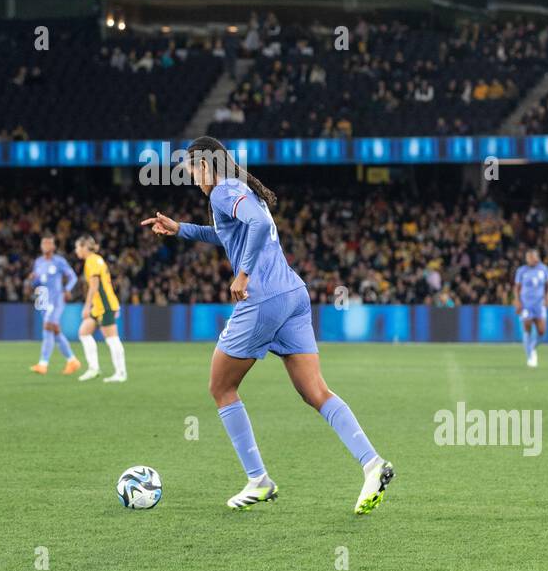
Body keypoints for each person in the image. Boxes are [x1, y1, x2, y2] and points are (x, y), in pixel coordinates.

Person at [141, 136, 393, 514]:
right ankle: (372, 464)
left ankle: (259, 479)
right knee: (316, 392)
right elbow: (230, 234)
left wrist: (242, 275)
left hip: (261, 299)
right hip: (293, 295)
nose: (193, 178)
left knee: (221, 386)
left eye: (192, 170)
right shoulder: (238, 190)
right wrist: (182, 229)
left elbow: (256, 226)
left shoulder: (222, 191)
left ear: (206, 166)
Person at [73, 235, 126, 383]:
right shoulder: (95, 259)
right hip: (99, 306)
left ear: (84, 247)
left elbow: (95, 286)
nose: (76, 250)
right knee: (83, 333)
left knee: (112, 339)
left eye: (77, 247)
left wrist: (86, 306)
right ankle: (93, 368)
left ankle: (121, 373)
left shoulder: (92, 261)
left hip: (105, 305)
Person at [26, 236, 80, 375]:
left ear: (54, 247)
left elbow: (73, 276)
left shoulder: (59, 261)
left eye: (49, 243)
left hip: (56, 299)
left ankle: (43, 364)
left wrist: (67, 289)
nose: (45, 245)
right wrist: (33, 280)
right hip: (42, 298)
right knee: (54, 330)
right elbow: (37, 283)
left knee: (47, 326)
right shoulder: (38, 262)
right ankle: (72, 361)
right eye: (43, 243)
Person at [514, 249, 548, 368]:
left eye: (532, 257)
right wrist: (517, 302)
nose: (529, 259)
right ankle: (530, 356)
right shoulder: (521, 270)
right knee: (527, 328)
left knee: (542, 331)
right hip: (526, 304)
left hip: (539, 304)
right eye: (528, 257)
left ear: (537, 257)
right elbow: (517, 288)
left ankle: (532, 347)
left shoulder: (544, 269)